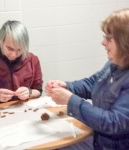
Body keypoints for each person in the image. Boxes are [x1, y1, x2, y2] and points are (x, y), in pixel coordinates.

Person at [45, 8, 129, 150]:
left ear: (124, 43)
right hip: (97, 140)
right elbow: (92, 83)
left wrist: (70, 100)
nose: (103, 43)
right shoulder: (113, 64)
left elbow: (113, 123)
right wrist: (66, 86)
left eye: (108, 38)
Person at [0, 20, 43, 107]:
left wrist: (29, 92)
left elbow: (38, 90)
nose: (14, 55)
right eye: (10, 48)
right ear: (1, 41)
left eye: (19, 49)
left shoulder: (33, 60)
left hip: (26, 111)